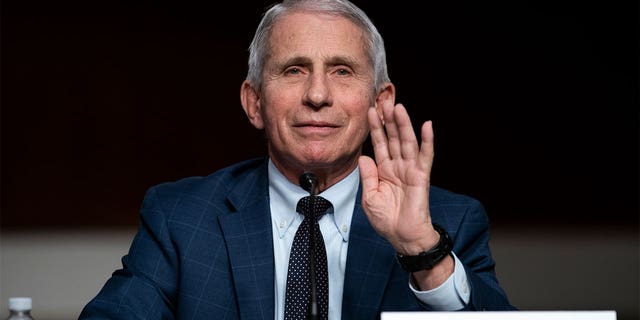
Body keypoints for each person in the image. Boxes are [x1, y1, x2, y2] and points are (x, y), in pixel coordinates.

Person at [79, 0, 516, 319]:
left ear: (380, 102)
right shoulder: (181, 218)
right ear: (254, 103)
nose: (318, 95)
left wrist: (423, 251)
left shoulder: (449, 222)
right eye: (294, 70)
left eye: (342, 71)